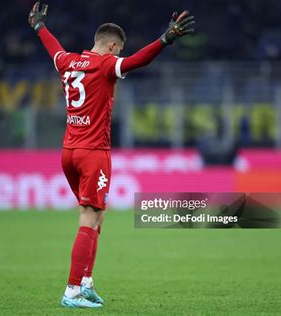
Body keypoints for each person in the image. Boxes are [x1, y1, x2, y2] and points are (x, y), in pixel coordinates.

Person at [28, 2, 195, 308]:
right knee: (88, 218)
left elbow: (53, 48)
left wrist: (39, 26)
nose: (118, 57)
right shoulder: (104, 65)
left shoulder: (68, 62)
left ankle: (87, 281)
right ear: (112, 46)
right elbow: (137, 62)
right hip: (93, 153)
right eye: (117, 51)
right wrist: (165, 39)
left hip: (69, 152)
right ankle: (72, 291)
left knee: (97, 214)